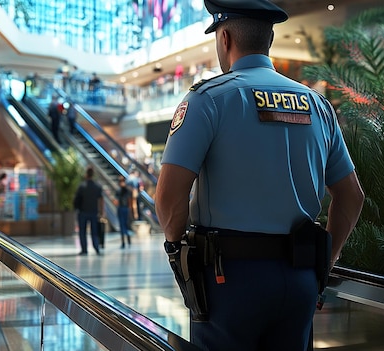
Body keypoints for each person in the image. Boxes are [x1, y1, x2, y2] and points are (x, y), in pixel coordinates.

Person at [154, 1, 365, 350]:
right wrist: (324, 263)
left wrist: (180, 257)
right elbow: (351, 196)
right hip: (299, 277)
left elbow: (169, 198)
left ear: (224, 38)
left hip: (229, 281)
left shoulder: (209, 100)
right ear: (268, 39)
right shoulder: (317, 105)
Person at [73, 166, 103, 255]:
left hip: (83, 212)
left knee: (82, 231)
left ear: (86, 174)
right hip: (94, 212)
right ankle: (96, 247)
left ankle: (84, 249)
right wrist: (101, 211)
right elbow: (101, 199)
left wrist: (76, 208)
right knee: (94, 231)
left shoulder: (82, 186)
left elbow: (76, 199)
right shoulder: (97, 186)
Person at [114, 176, 131, 249]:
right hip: (126, 208)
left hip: (121, 208)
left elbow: (116, 201)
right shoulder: (127, 190)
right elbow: (130, 200)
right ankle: (128, 237)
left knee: (122, 224)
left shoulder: (119, 190)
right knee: (125, 224)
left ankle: (123, 241)